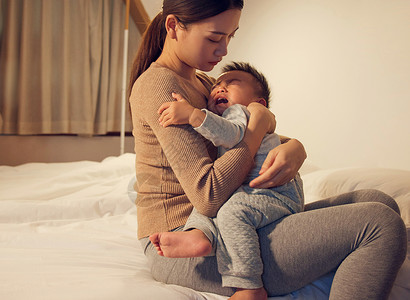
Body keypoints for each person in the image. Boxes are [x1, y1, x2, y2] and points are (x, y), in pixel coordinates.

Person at [128, 1, 407, 300]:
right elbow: (207, 196)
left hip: (233, 218)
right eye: (214, 38)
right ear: (173, 27)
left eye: (230, 36)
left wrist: (295, 147)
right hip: (190, 240)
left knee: (378, 200)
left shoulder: (206, 82)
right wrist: (260, 124)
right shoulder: (159, 85)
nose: (223, 50)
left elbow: (250, 133)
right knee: (379, 225)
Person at [150, 62, 304, 299]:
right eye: (217, 85)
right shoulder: (230, 117)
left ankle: (249, 287)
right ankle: (200, 234)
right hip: (251, 192)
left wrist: (193, 114)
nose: (220, 88)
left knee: (232, 212)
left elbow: (232, 135)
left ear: (258, 102)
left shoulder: (243, 112)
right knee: (213, 199)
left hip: (277, 194)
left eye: (231, 83)